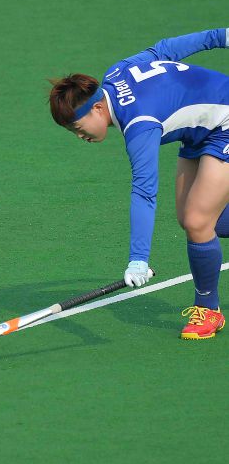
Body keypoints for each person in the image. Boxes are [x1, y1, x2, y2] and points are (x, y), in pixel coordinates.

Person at [49, 29, 229, 340]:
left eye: (78, 127)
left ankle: (208, 310)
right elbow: (164, 50)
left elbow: (144, 192)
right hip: (198, 132)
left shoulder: (139, 125)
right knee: (192, 218)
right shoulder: (116, 72)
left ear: (97, 109)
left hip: (224, 123)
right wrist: (219, 36)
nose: (80, 136)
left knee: (198, 221)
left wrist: (138, 259)